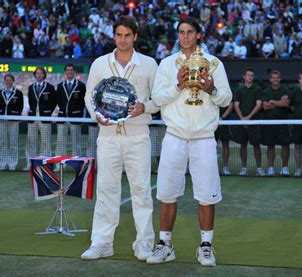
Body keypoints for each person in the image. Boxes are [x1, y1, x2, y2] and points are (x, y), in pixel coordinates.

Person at [148, 17, 232, 267]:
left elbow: (226, 98)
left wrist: (211, 90)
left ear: (198, 35)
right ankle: (165, 244)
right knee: (166, 192)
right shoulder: (166, 64)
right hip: (174, 136)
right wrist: (178, 85)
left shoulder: (214, 64)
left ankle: (206, 246)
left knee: (206, 194)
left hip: (204, 137)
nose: (185, 36)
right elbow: (157, 97)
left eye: (189, 32)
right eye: (181, 32)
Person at [81, 16, 160, 261]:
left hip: (138, 136)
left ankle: (144, 243)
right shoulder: (100, 63)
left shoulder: (148, 64)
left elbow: (159, 99)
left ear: (135, 36)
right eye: (118, 35)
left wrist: (144, 107)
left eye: (127, 35)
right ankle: (102, 243)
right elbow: (89, 96)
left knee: (141, 190)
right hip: (107, 137)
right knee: (106, 190)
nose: (122, 40)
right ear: (113, 36)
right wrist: (98, 116)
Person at [24, 67, 57, 171]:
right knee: (31, 141)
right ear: (35, 75)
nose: (38, 75)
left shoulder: (50, 87)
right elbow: (31, 102)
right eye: (37, 73)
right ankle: (30, 164)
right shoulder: (31, 87)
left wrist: (47, 112)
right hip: (33, 118)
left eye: (41, 73)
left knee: (45, 141)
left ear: (44, 75)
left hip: (44, 117)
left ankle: (45, 164)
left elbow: (53, 102)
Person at [233, 68, 264, 176]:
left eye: (252, 75)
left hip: (254, 123)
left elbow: (259, 104)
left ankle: (259, 168)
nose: (250, 77)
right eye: (248, 75)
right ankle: (244, 168)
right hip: (242, 123)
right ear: (244, 77)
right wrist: (242, 119)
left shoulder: (258, 89)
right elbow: (236, 105)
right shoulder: (239, 90)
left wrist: (248, 118)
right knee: (243, 145)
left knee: (256, 145)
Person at [262, 70, 291, 176]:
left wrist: (272, 101)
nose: (275, 79)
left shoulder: (286, 90)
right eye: (273, 78)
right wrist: (280, 102)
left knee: (285, 146)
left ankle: (285, 168)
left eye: (277, 78)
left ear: (280, 79)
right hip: (269, 123)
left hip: (283, 122)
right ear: (270, 79)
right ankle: (270, 168)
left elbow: (286, 104)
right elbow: (265, 106)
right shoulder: (265, 91)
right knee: (270, 146)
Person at [55, 64, 86, 160]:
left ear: (74, 71)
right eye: (68, 70)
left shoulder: (81, 85)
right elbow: (58, 101)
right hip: (62, 117)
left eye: (71, 70)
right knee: (60, 142)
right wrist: (64, 110)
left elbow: (82, 102)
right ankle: (60, 162)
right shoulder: (60, 86)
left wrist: (79, 115)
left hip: (75, 118)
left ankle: (76, 163)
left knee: (76, 142)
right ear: (65, 72)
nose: (69, 72)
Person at [0, 74, 23, 171]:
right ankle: (2, 163)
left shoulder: (18, 93)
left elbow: (20, 107)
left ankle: (12, 164)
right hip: (2, 121)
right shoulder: (0, 93)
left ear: (13, 81)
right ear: (4, 81)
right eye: (7, 80)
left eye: (10, 80)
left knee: (13, 143)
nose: (8, 82)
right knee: (2, 142)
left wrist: (14, 115)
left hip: (13, 122)